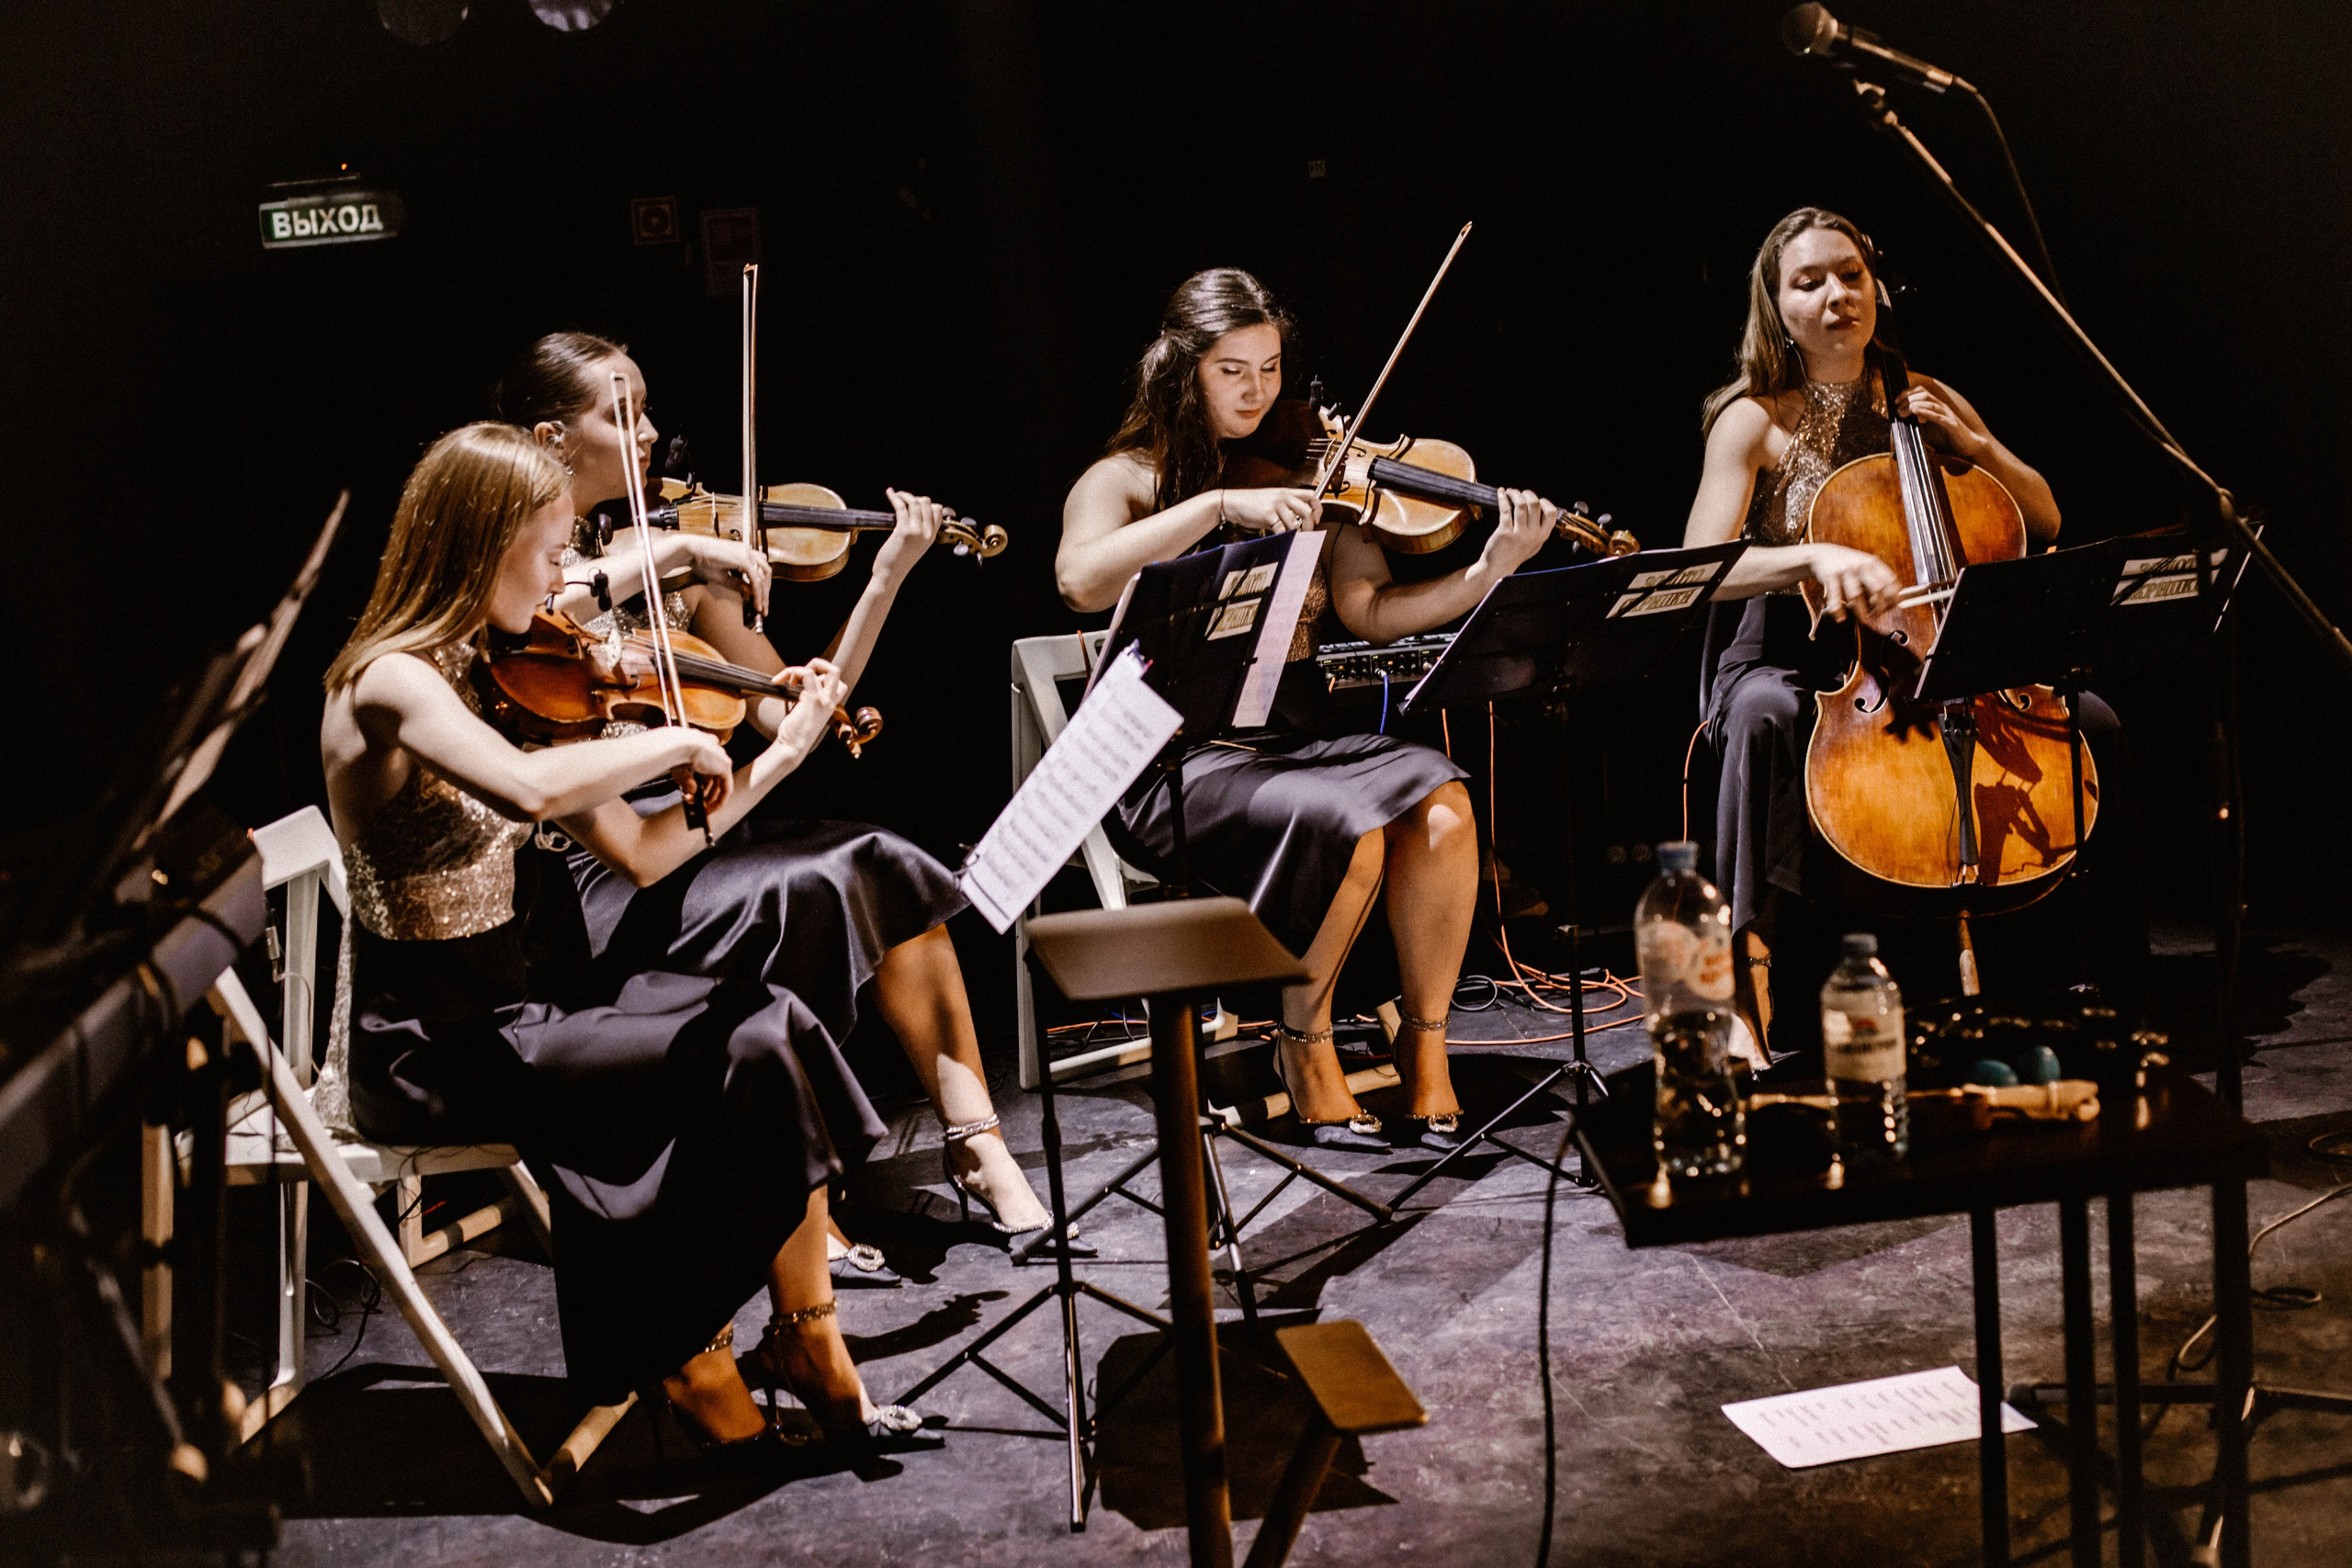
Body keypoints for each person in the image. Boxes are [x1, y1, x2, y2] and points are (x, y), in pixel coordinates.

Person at [320, 422, 930, 1461]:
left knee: (768, 1022)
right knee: (725, 1055)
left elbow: (646, 851)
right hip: (431, 1047)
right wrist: (676, 738)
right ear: (485, 544)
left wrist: (777, 759)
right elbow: (525, 789)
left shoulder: (500, 669)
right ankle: (694, 1361)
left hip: (516, 1008)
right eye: (553, 549)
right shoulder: (391, 680)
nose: (567, 576)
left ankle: (807, 1337)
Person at [491, 332, 1055, 1243]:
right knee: (806, 886)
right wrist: (669, 552)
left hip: (703, 820)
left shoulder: (678, 560)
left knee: (881, 860)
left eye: (647, 411)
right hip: (599, 876)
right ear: (551, 438)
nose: (649, 435)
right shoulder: (525, 559)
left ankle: (975, 1143)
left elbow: (792, 708)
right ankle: (795, 1195)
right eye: (621, 415)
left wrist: (884, 578)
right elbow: (534, 614)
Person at [1056, 267, 1564, 1147]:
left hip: (1289, 742)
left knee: (1442, 799)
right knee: (1349, 822)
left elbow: (1372, 610)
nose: (1258, 391)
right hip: (1173, 762)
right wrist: (1219, 503)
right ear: (1182, 369)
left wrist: (1487, 572)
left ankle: (1427, 1047)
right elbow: (1079, 580)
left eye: (1270, 368)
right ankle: (1304, 1042)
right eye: (1232, 371)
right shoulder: (1127, 478)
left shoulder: (1311, 474)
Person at [1683, 207, 2141, 1042]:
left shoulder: (1924, 397)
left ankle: (2086, 970)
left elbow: (2043, 516)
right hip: (1793, 651)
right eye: (1809, 282)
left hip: (1928, 643)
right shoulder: (1755, 419)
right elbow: (1699, 570)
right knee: (1761, 715)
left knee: (2093, 722)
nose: (1836, 295)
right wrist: (1809, 556)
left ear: (1876, 287)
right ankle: (1740, 983)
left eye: (1850, 275)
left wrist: (1977, 446)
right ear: (1777, 306)